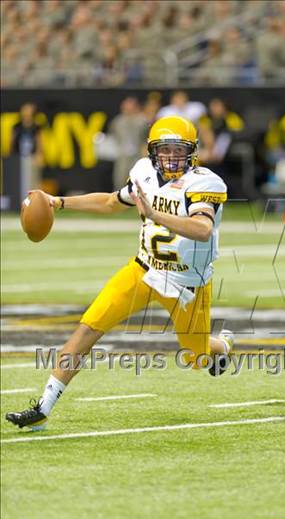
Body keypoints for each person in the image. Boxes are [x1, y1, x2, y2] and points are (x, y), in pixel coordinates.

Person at [6, 116, 233, 431]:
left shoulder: (204, 183)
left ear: (191, 152)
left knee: (198, 357)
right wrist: (59, 202)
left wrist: (156, 215)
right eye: (163, 150)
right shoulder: (143, 173)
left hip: (185, 284)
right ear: (153, 151)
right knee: (89, 326)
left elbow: (203, 229)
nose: (170, 157)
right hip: (143, 269)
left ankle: (221, 345)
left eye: (177, 150)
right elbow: (112, 202)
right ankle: (43, 408)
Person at [109, 97, 149, 189]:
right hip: (122, 155)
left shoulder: (142, 121)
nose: (128, 109)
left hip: (138, 154)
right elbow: (114, 136)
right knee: (120, 180)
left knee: (138, 179)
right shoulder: (117, 121)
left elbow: (145, 138)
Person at [11, 102, 43, 188]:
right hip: (19, 156)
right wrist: (12, 156)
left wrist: (39, 154)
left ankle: (34, 199)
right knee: (19, 179)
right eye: (25, 110)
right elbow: (12, 142)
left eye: (28, 110)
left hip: (31, 157)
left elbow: (39, 141)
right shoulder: (17, 126)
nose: (26, 113)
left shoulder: (36, 127)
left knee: (33, 179)